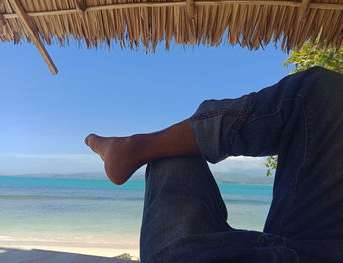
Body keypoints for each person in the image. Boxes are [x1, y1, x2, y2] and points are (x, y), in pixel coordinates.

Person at [85, 67, 343, 263]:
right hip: (319, 248)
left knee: (172, 157)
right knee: (321, 92)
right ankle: (140, 147)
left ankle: (139, 147)